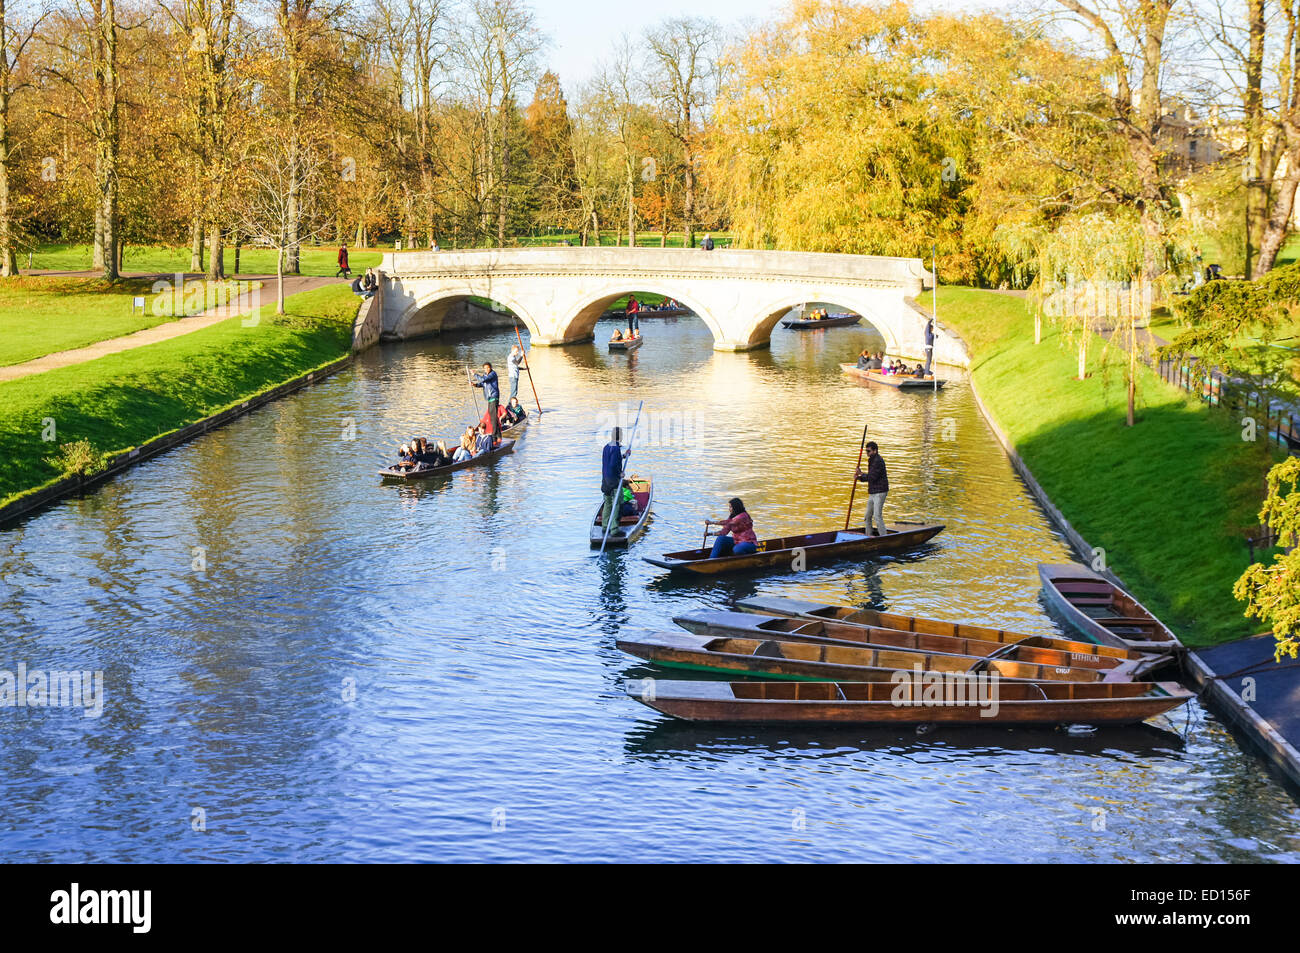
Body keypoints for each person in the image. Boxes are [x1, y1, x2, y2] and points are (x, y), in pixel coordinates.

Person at [601, 427, 631, 538]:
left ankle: (605, 527)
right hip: (614, 481)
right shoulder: (616, 449)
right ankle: (614, 530)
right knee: (618, 503)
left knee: (608, 503)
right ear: (620, 436)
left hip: (605, 481)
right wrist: (620, 474)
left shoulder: (606, 447)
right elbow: (613, 465)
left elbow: (610, 462)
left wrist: (624, 456)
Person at [855, 441, 890, 536]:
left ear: (875, 451)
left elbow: (872, 477)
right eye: (866, 451)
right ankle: (868, 536)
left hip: (880, 492)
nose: (867, 453)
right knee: (867, 516)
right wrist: (859, 477)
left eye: (869, 451)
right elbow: (870, 477)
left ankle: (884, 537)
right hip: (873, 492)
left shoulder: (878, 461)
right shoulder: (871, 460)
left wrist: (861, 474)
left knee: (877, 516)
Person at [472, 362, 501, 442]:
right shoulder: (485, 375)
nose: (487, 369)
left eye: (488, 368)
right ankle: (498, 435)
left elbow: (484, 379)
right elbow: (482, 383)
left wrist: (475, 374)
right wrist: (475, 385)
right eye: (485, 368)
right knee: (492, 418)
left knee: (493, 418)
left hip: (494, 397)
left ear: (490, 368)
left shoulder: (493, 374)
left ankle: (494, 436)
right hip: (489, 398)